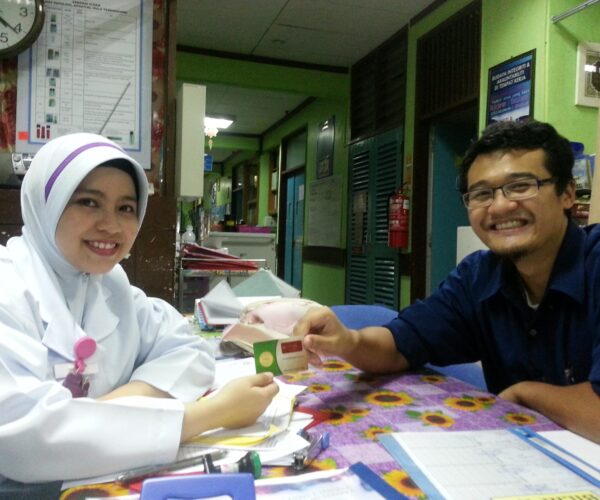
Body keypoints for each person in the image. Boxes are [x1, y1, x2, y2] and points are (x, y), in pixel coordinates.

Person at [295, 120, 600, 443]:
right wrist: (348, 341)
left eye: (521, 186)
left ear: (567, 193)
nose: (500, 206)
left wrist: (526, 393)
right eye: (481, 194)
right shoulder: (478, 277)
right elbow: (401, 344)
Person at [0, 133, 279, 483]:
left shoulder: (107, 284)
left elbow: (190, 350)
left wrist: (119, 403)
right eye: (89, 202)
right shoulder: (9, 288)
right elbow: (24, 440)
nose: (111, 226)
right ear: (46, 202)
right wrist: (212, 414)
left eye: (126, 208)